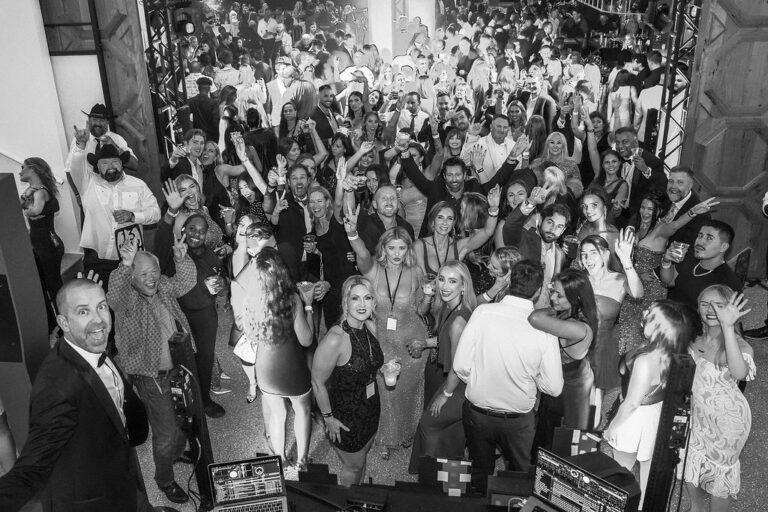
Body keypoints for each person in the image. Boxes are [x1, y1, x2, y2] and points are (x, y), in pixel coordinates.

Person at [0, 278, 151, 511]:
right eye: (83, 311)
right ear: (64, 323)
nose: (98, 319)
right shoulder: (56, 388)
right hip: (97, 498)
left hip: (122, 473)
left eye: (101, 306)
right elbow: (32, 468)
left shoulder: (91, 345)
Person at [452, 260, 564, 492]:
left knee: (479, 472)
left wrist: (482, 378)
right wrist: (532, 379)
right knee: (517, 479)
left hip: (477, 414)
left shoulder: (483, 313)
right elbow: (554, 387)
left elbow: (461, 365)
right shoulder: (546, 328)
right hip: (518, 421)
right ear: (538, 291)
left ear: (510, 283)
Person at [107, 236, 194, 505]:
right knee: (166, 433)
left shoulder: (163, 286)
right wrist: (124, 265)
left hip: (180, 369)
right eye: (143, 273)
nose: (151, 278)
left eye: (154, 271)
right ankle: (165, 480)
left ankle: (175, 454)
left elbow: (185, 283)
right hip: (152, 377)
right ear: (132, 276)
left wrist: (181, 259)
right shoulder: (128, 301)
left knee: (184, 420)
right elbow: (114, 297)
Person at [343, 213, 430, 460]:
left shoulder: (415, 272)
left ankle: (406, 430)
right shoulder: (374, 271)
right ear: (383, 248)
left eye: (402, 248)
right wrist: (352, 234)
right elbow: (362, 254)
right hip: (381, 340)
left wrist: (428, 296)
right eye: (391, 247)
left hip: (411, 341)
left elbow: (422, 310)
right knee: (384, 391)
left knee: (407, 390)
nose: (396, 253)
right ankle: (385, 437)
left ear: (408, 249)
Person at [603, 300, 699, 506]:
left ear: (658, 326)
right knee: (650, 472)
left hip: (634, 418)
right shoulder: (679, 352)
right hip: (657, 414)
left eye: (650, 315)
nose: (644, 314)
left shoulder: (645, 361)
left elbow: (632, 403)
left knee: (619, 472)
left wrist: (612, 427)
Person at [230, 247, 315, 469]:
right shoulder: (292, 300)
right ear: (281, 271)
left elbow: (250, 333)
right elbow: (306, 339)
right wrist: (308, 306)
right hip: (291, 368)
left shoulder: (250, 299)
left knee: (277, 414)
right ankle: (302, 461)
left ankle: (281, 459)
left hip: (266, 369)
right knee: (302, 410)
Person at [618, 195, 719, 355]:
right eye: (643, 207)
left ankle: (642, 363)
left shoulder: (660, 229)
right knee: (626, 327)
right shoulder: (637, 230)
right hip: (634, 284)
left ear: (657, 212)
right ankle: (627, 361)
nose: (645, 212)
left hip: (652, 288)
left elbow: (676, 225)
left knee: (644, 329)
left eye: (650, 209)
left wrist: (693, 211)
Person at [685, 286, 755, 512]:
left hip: (728, 423)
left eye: (719, 305)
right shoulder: (694, 337)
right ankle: (696, 509)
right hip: (696, 416)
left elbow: (739, 372)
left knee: (719, 480)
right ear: (698, 308)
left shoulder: (739, 345)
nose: (711, 309)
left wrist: (727, 327)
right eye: (705, 304)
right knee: (691, 464)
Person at [311, 276, 384, 485]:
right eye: (355, 298)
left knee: (363, 458)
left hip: (370, 407)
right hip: (346, 416)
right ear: (345, 302)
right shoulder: (335, 339)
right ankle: (346, 499)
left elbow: (369, 360)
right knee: (354, 466)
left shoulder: (370, 326)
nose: (362, 304)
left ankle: (358, 494)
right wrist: (328, 419)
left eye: (367, 298)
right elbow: (317, 382)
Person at [409, 261, 476, 474]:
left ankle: (431, 473)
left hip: (460, 383)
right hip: (454, 377)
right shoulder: (450, 306)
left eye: (452, 281)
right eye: (441, 279)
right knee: (452, 430)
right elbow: (446, 339)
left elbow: (458, 366)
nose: (445, 286)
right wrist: (427, 343)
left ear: (463, 286)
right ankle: (449, 475)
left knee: (428, 423)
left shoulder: (459, 321)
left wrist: (445, 395)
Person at [66, 143, 161, 291]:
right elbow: (75, 166)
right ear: (97, 167)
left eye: (115, 161)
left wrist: (133, 216)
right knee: (100, 297)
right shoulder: (87, 183)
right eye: (104, 163)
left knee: (132, 299)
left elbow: (155, 213)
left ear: (122, 164)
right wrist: (80, 145)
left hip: (131, 257)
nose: (110, 166)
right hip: (98, 258)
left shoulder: (138, 185)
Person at [529, 269, 598, 450]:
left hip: (570, 392)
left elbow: (534, 317)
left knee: (561, 444)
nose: (553, 297)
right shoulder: (571, 313)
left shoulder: (578, 327)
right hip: (568, 381)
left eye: (559, 295)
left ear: (576, 299)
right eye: (553, 291)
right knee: (550, 435)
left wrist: (553, 309)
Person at [580, 233, 643, 426]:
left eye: (593, 253)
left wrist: (626, 260)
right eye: (583, 254)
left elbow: (638, 293)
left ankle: (589, 438)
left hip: (601, 350)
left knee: (593, 406)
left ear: (606, 255)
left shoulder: (619, 280)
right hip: (576, 346)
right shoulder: (578, 280)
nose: (588, 258)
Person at [19, 157, 64, 331]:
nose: (20, 171)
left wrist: (28, 211)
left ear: (33, 169)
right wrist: (26, 203)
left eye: (23, 167)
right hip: (39, 245)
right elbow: (20, 208)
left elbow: (35, 210)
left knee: (53, 286)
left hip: (48, 245)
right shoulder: (32, 191)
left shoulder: (39, 191)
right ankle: (53, 325)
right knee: (42, 287)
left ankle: (63, 325)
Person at [660, 220, 743, 310]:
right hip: (670, 311)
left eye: (709, 238)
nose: (700, 242)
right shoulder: (691, 261)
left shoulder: (727, 283)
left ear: (723, 247)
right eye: (700, 236)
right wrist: (666, 262)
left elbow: (728, 315)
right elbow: (669, 281)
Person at [65, 103, 138, 177]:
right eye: (94, 119)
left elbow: (134, 165)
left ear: (107, 122)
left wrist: (115, 147)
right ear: (89, 121)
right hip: (89, 183)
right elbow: (69, 170)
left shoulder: (117, 139)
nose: (98, 123)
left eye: (102, 120)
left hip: (113, 183)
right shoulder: (80, 139)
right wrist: (81, 144)